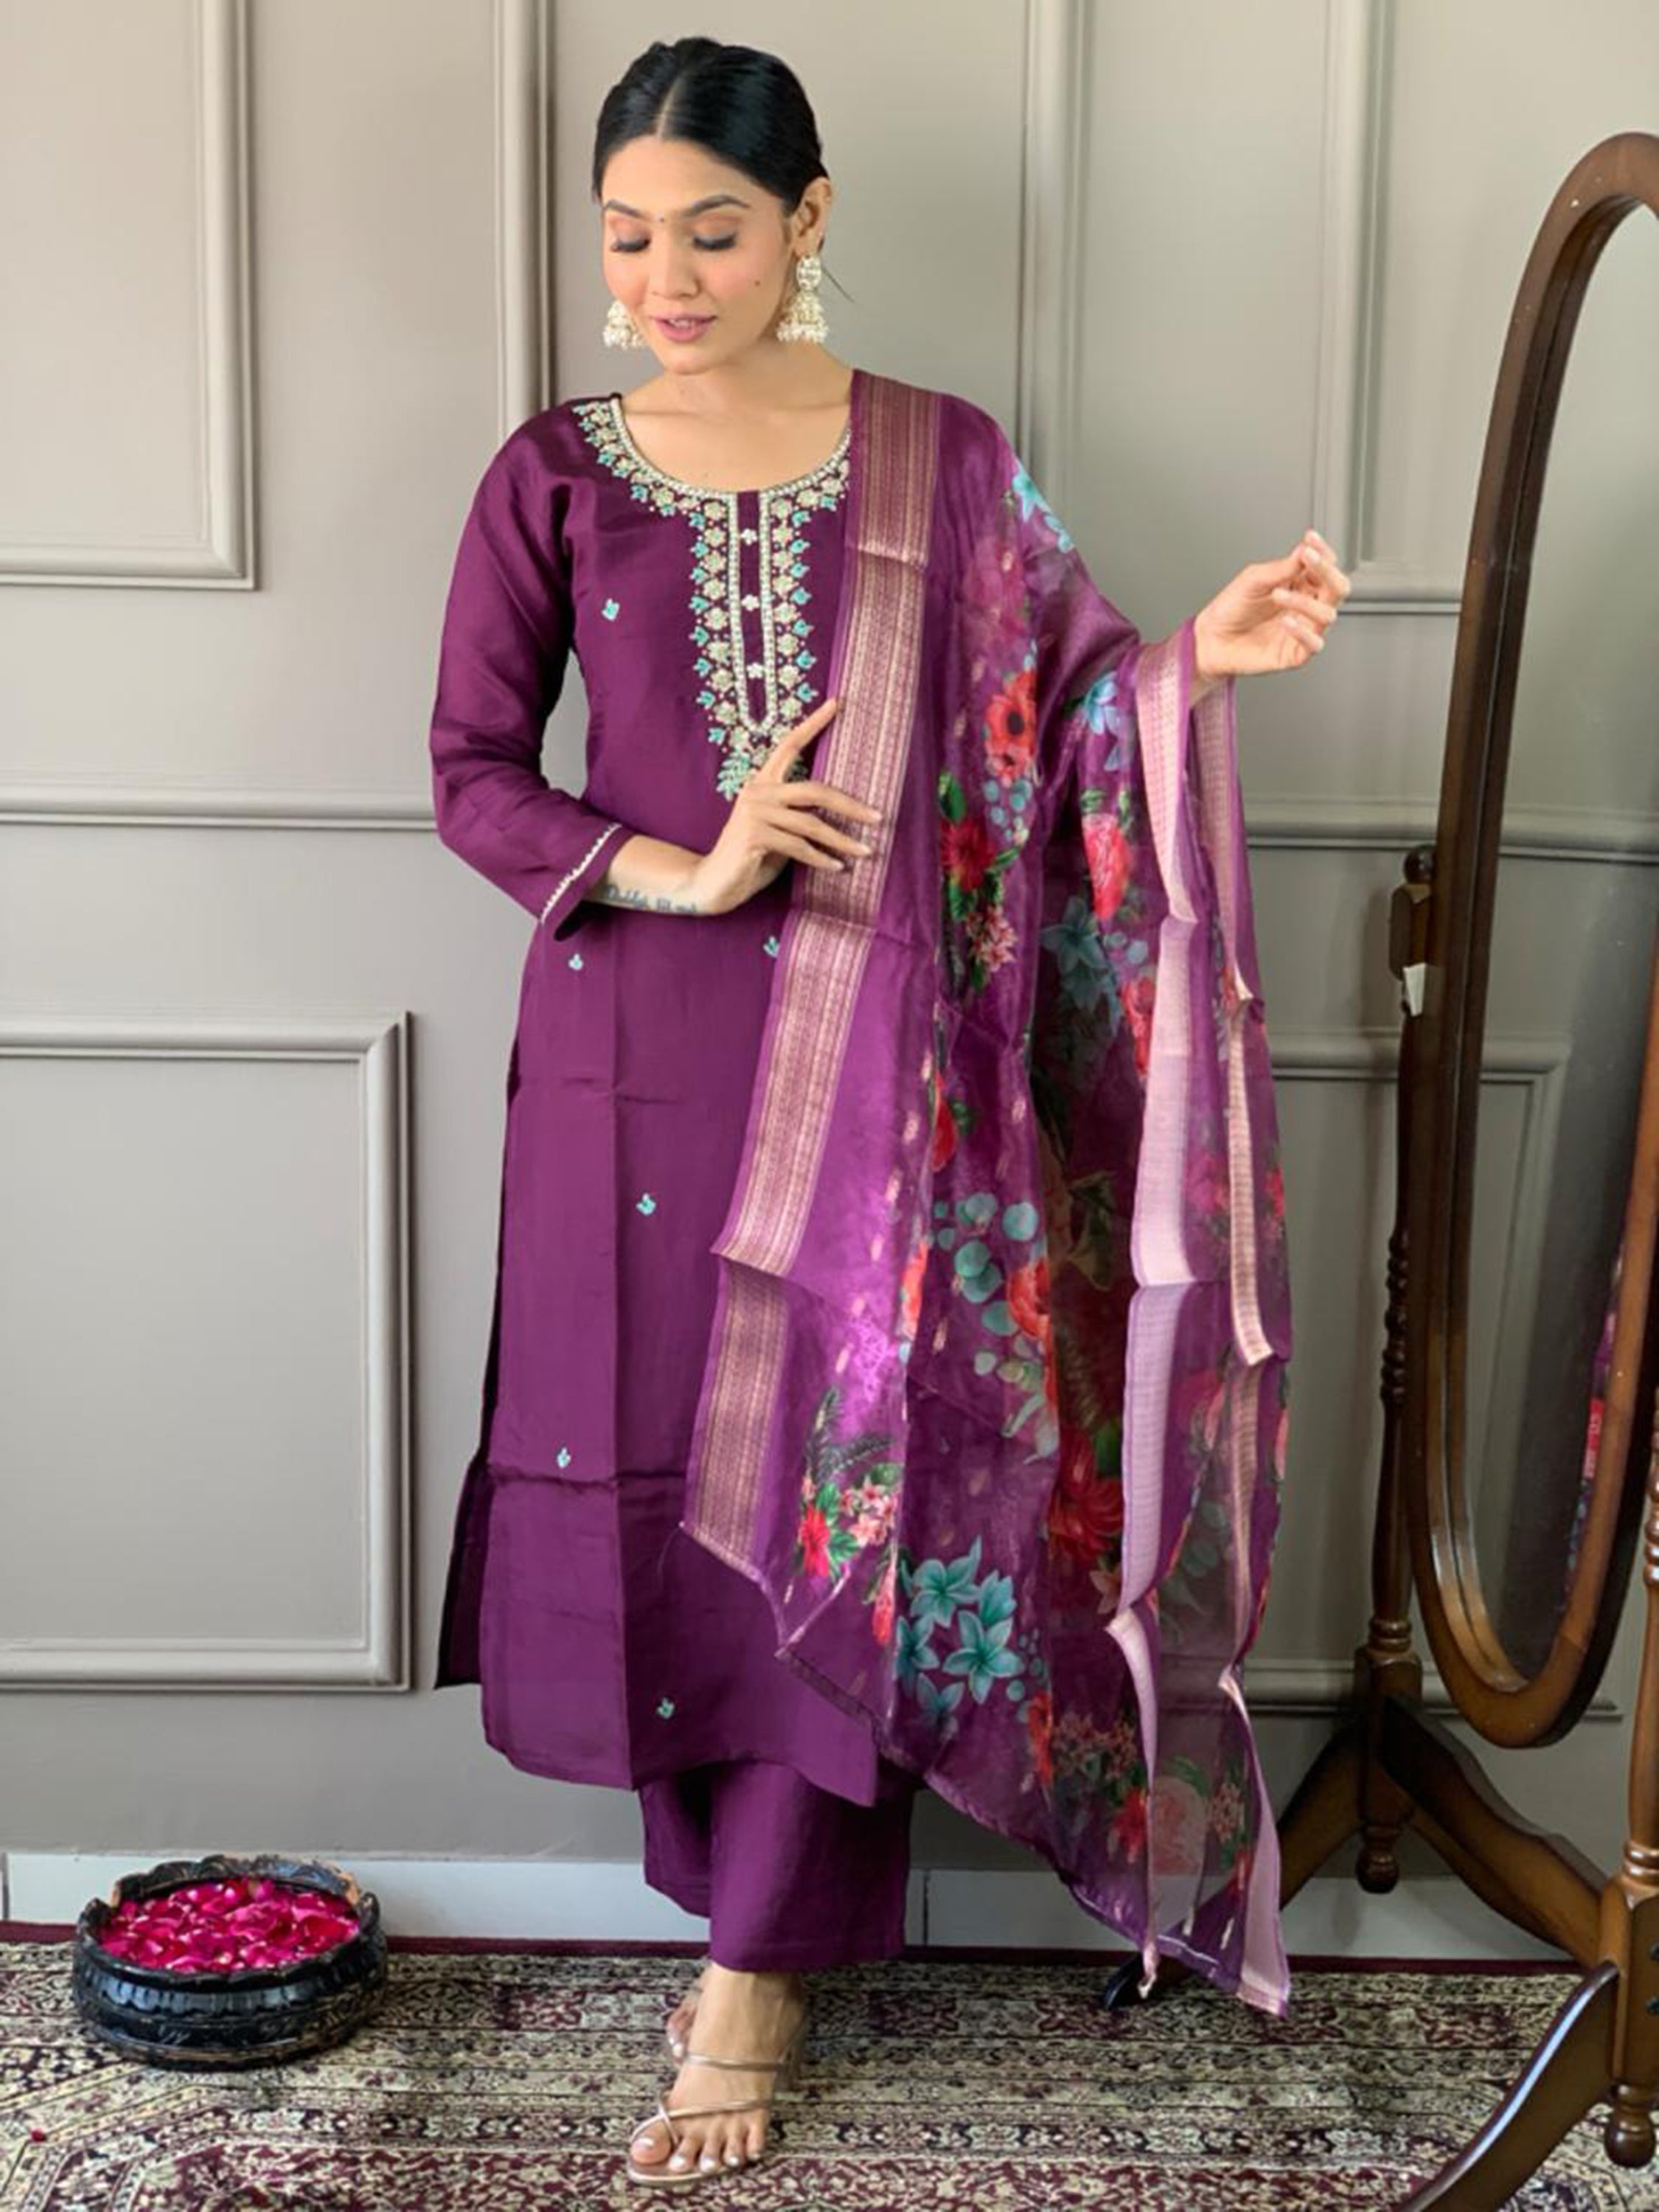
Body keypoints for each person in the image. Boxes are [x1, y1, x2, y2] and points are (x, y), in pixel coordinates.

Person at [428, 34, 1348, 2190]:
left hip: (885, 1085)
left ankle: (754, 1971)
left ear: (807, 220)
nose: (666, 278)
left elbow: (1073, 722)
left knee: (843, 1487)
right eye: (628, 237)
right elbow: (468, 772)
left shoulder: (943, 460)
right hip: (629, 1074)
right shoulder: (550, 471)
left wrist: (1193, 668)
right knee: (671, 1481)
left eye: (713, 231)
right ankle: (724, 1912)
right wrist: (688, 865)